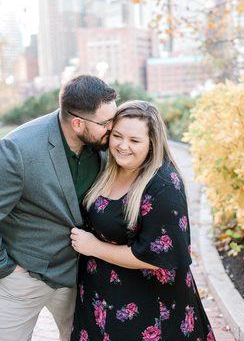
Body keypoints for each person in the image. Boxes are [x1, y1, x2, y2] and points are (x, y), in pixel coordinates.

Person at [70, 100, 216, 341]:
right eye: (117, 136)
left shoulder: (163, 186)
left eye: (135, 141)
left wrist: (94, 247)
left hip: (149, 311)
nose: (123, 146)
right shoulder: (108, 165)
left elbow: (157, 258)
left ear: (152, 143)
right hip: (100, 299)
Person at [0, 75, 117, 341]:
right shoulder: (17, 149)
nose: (113, 128)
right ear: (77, 123)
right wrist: (6, 269)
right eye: (105, 123)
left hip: (81, 275)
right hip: (25, 276)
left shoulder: (102, 145)